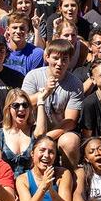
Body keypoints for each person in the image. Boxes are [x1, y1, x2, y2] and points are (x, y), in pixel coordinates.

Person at [22, 39, 84, 169]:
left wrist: (47, 137)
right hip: (32, 129)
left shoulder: (75, 84)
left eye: (64, 59)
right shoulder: (33, 76)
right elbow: (22, 104)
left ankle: (69, 177)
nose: (59, 64)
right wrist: (44, 93)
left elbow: (70, 121)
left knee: (71, 140)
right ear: (47, 57)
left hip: (58, 131)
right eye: (55, 58)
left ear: (70, 60)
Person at [0, 89, 47, 177]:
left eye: (25, 105)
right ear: (8, 109)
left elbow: (41, 133)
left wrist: (40, 102)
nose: (21, 109)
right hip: (7, 184)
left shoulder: (34, 132)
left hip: (30, 183)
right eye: (16, 105)